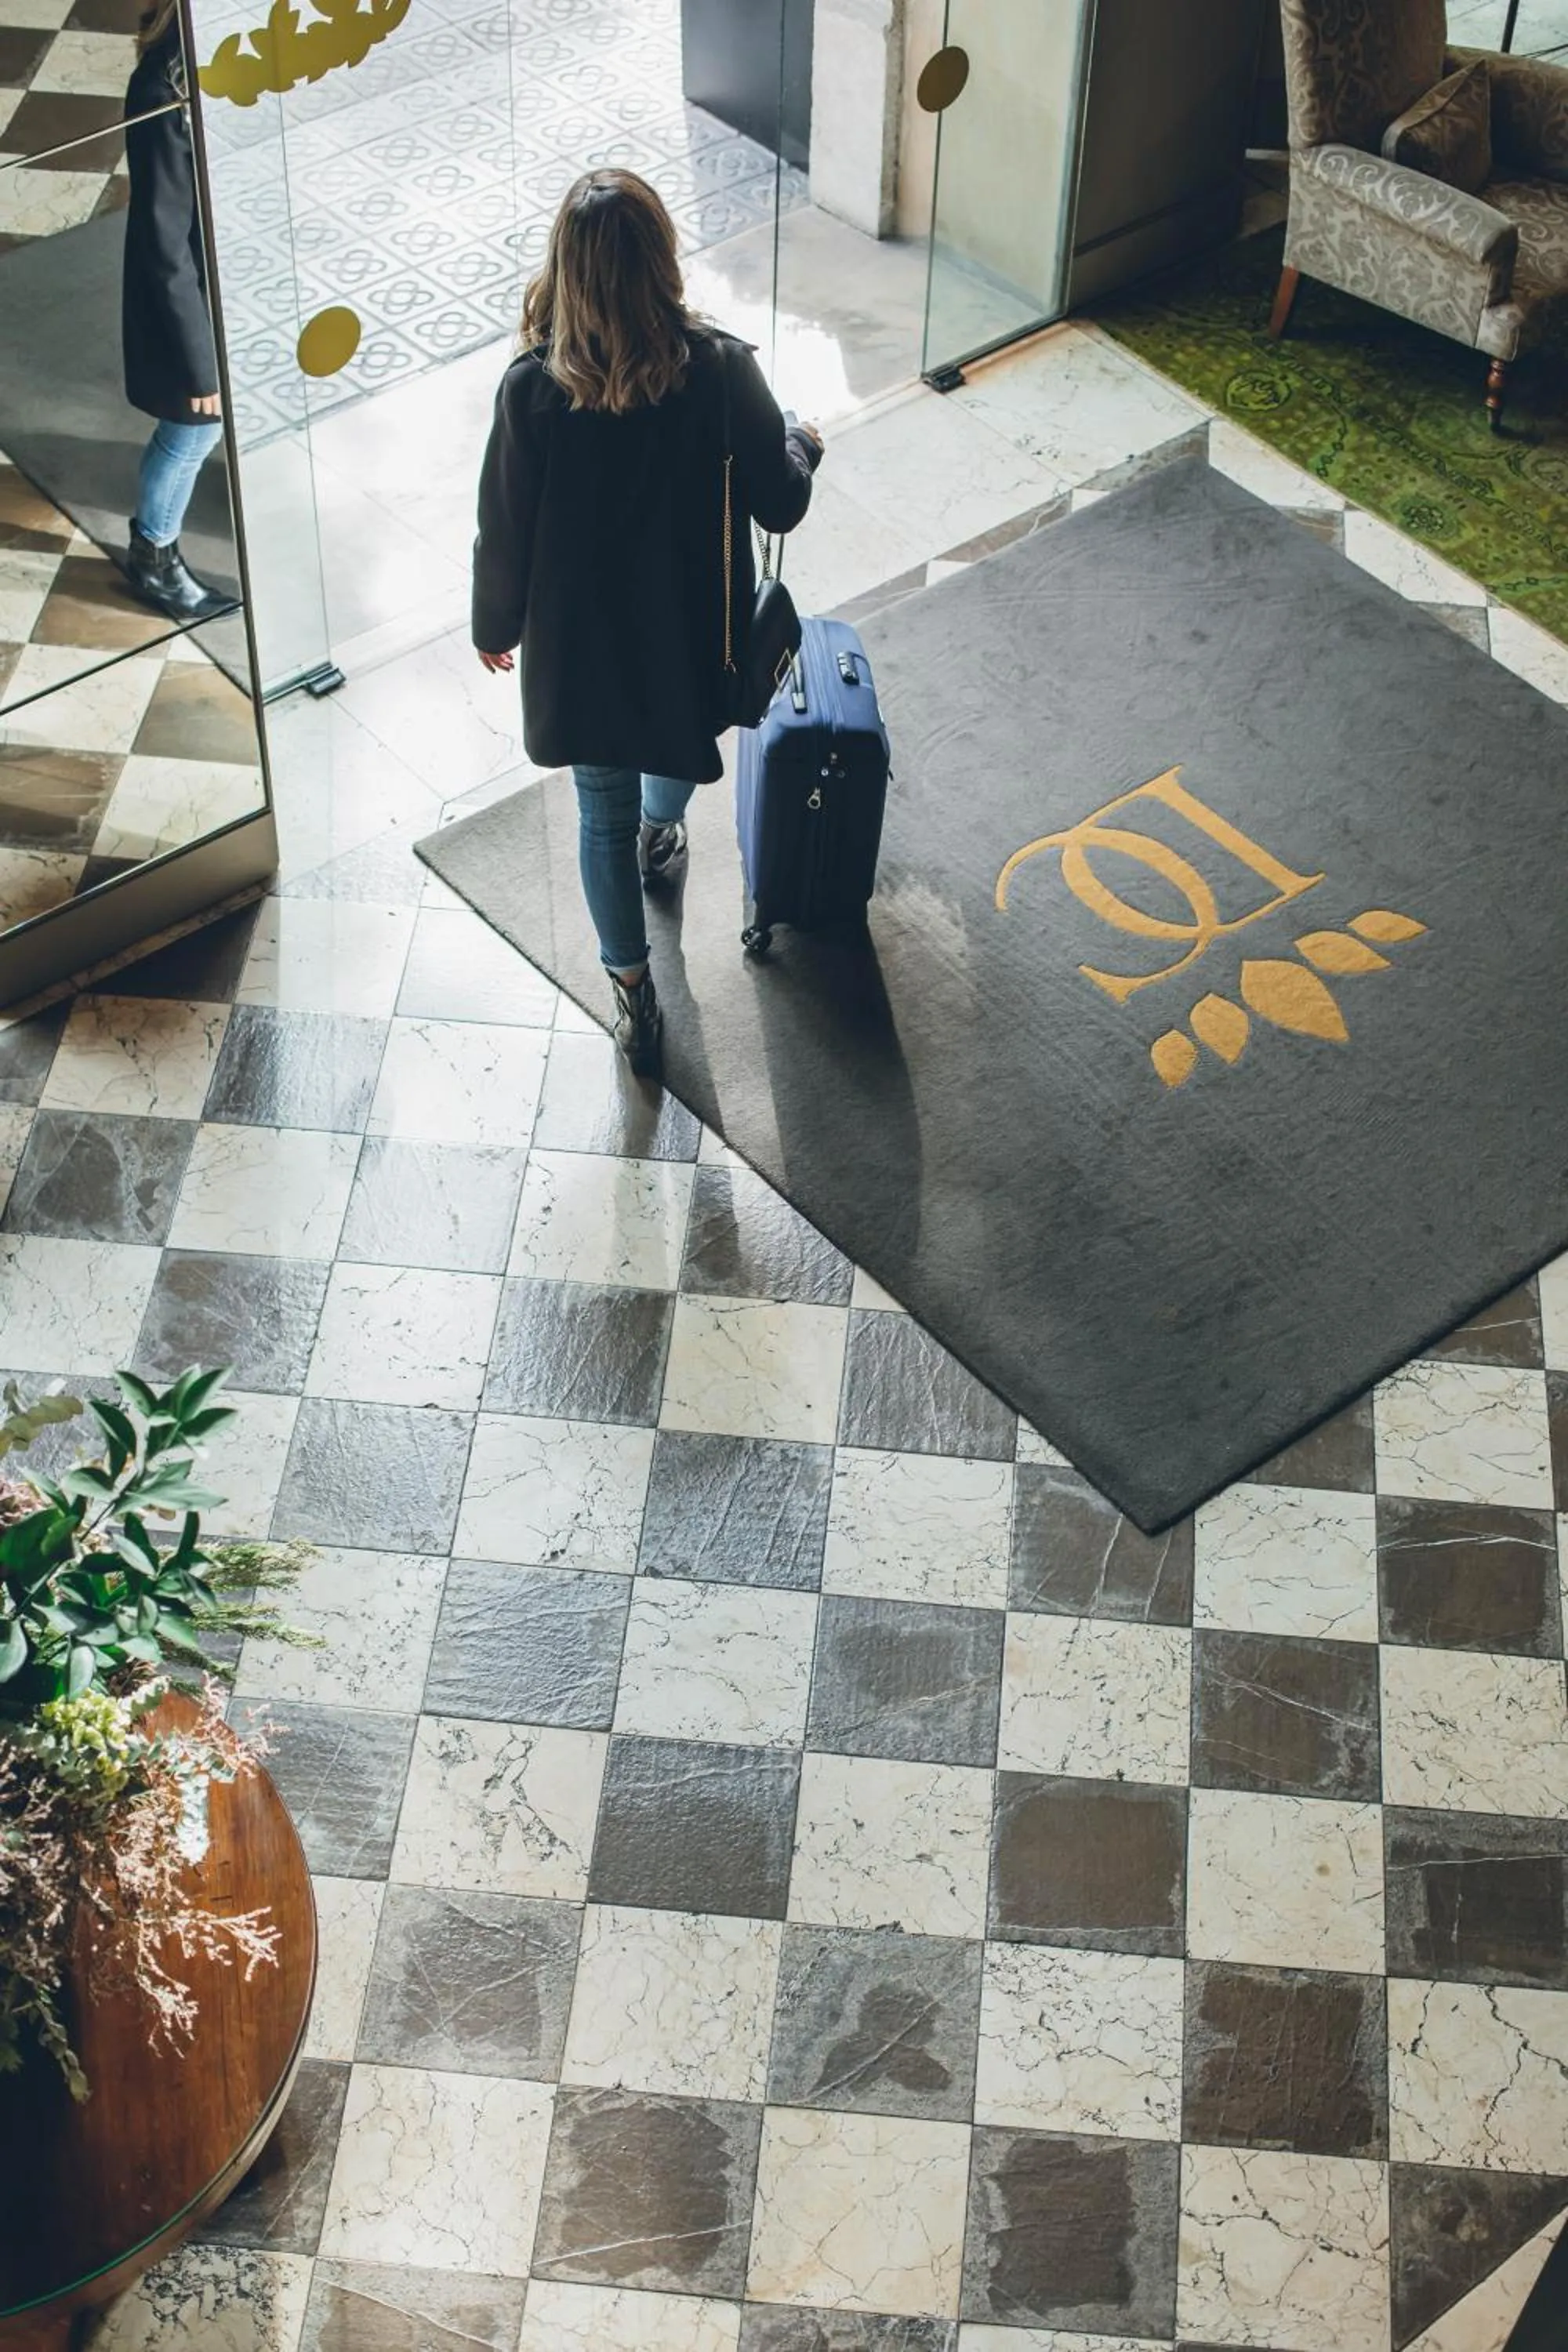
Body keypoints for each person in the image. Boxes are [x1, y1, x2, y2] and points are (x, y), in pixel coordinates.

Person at [473, 167, 823, 1076]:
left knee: (597, 812)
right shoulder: (717, 368)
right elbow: (776, 504)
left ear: (567, 268)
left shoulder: (533, 391)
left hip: (582, 653)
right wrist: (801, 443)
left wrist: (494, 625)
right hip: (686, 638)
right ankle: (662, 837)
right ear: (661, 256)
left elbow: (502, 527)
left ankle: (633, 996)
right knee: (673, 751)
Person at [121, 0, 230, 622]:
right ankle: (154, 553)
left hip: (216, 277)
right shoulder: (163, 85)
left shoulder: (214, 63)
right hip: (186, 289)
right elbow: (166, 243)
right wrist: (199, 367)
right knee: (193, 428)